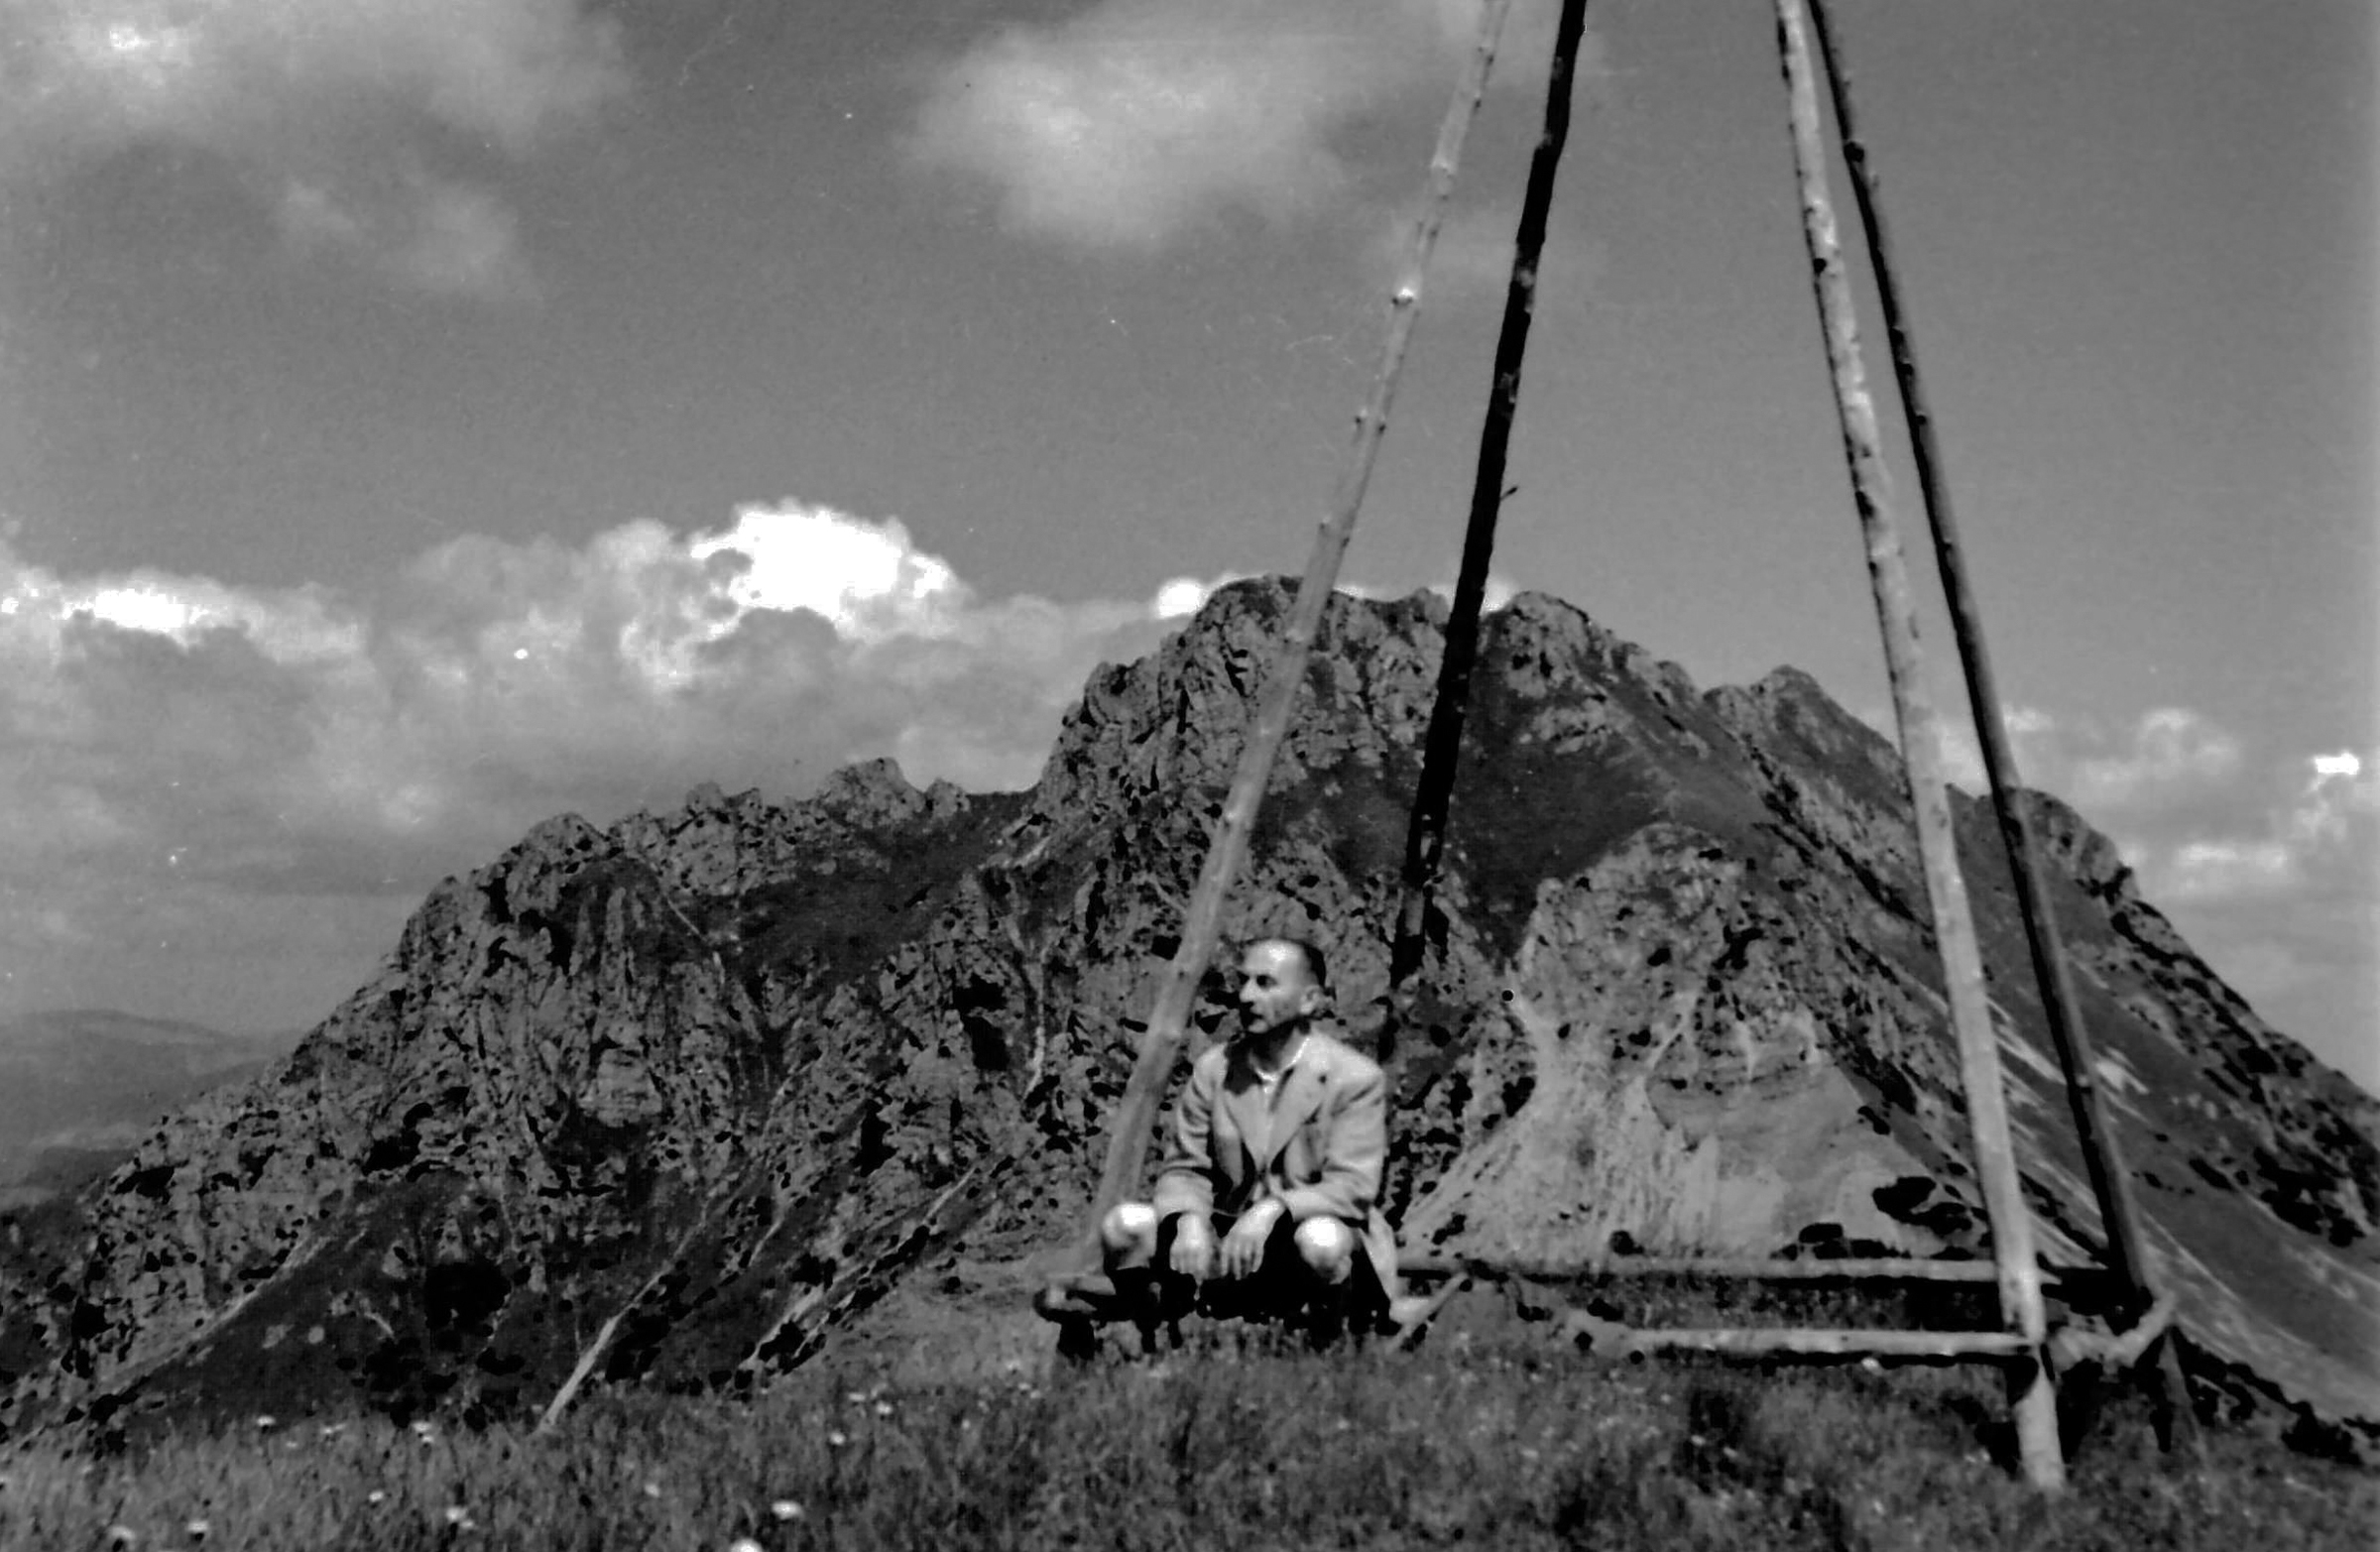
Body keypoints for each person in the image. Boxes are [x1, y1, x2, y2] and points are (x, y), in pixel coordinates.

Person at [1095, 935, 1402, 1344]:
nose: (1246, 996)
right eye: (1243, 982)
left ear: (1310, 1000)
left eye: (1265, 983)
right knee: (1124, 1226)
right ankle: (1153, 1337)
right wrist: (1187, 1218)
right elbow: (1185, 1167)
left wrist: (1274, 1208)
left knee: (1322, 1241)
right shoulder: (1215, 1070)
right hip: (1226, 1233)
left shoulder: (1354, 1078)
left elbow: (1353, 1188)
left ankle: (1332, 1342)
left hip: (1304, 1236)